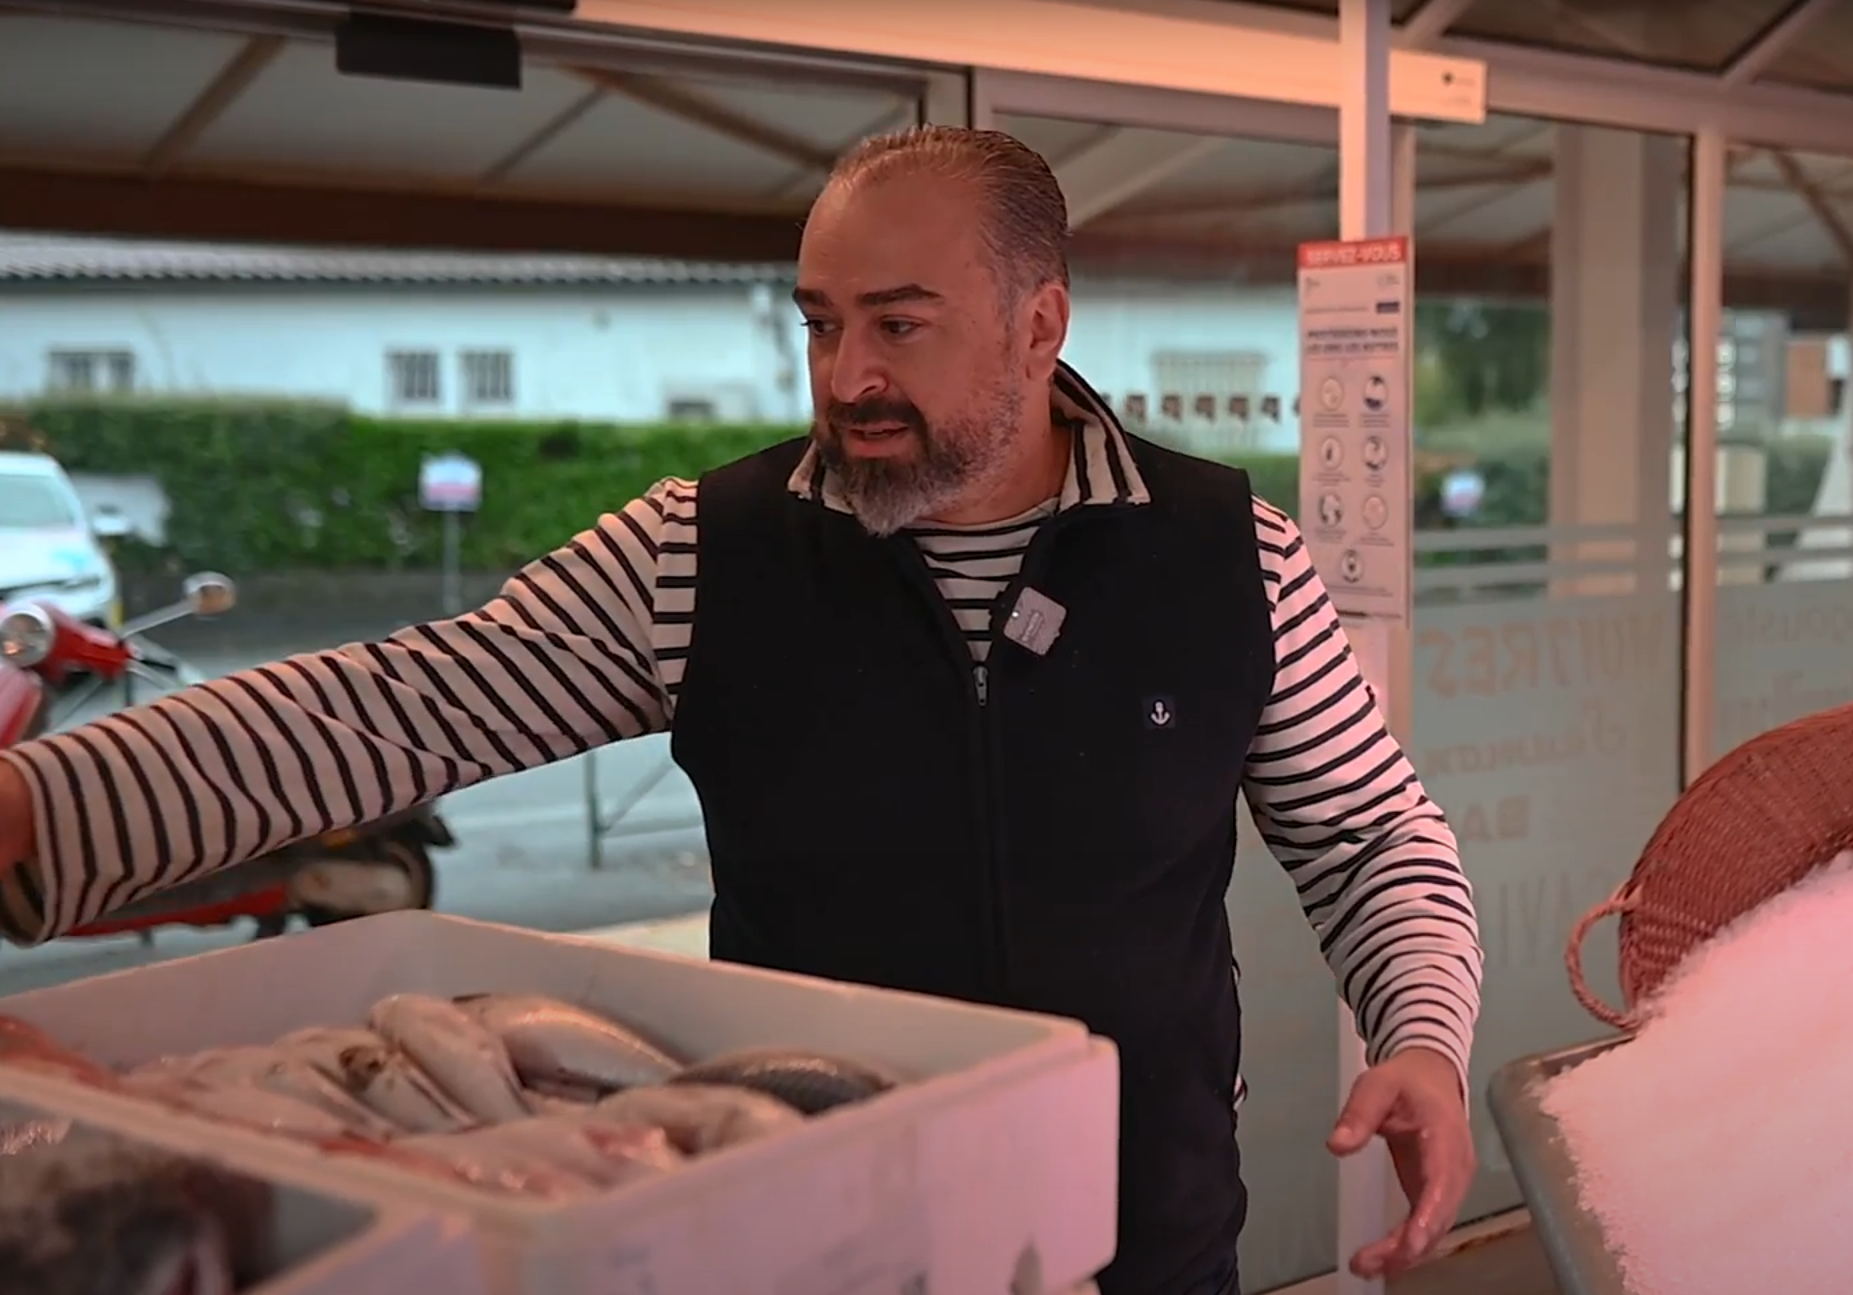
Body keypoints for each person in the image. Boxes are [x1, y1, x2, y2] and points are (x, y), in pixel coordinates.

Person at [0, 127, 1482, 1295]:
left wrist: (1421, 1031)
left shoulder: (1234, 554)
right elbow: (389, 708)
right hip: (804, 1246)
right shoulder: (699, 553)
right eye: (821, 322)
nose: (850, 377)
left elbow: (1371, 842)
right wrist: (37, 811)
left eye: (901, 324)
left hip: (1139, 1241)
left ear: (1041, 326)